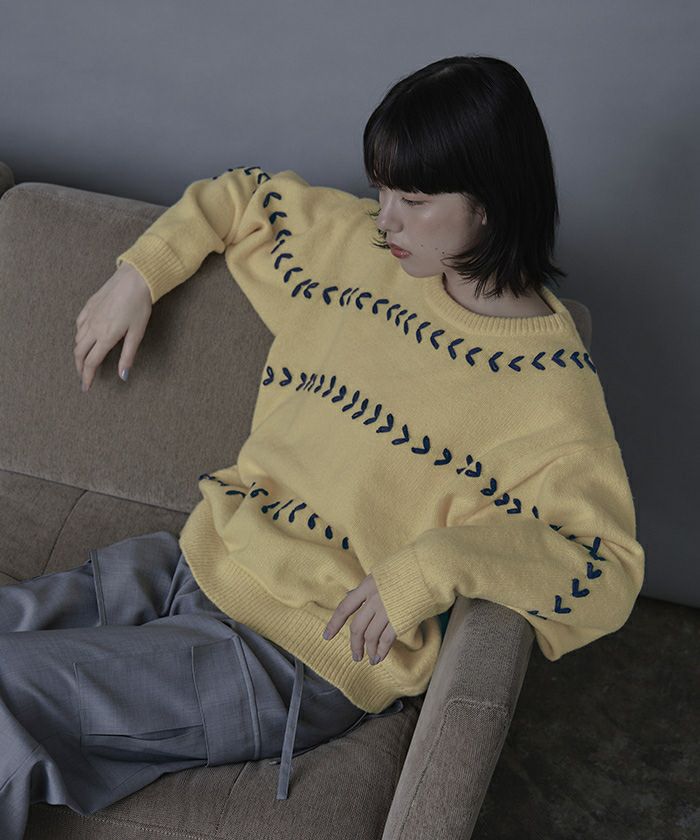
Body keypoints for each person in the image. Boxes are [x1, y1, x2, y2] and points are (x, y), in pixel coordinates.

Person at [1, 55, 645, 836]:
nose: (386, 220)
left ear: (491, 203)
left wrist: (436, 564)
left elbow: (604, 568)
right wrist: (138, 275)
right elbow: (241, 196)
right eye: (382, 191)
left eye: (414, 200)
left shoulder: (548, 392)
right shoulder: (357, 253)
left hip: (293, 662)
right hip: (197, 559)